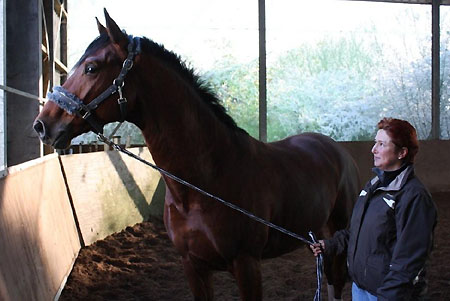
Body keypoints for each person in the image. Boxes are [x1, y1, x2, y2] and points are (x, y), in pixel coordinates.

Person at [311, 117, 437, 300]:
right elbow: (359, 231)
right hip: (361, 288)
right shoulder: (373, 185)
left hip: (386, 294)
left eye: (381, 144)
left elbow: (408, 261)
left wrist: (387, 296)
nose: (373, 150)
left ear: (402, 152)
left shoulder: (414, 197)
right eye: (375, 143)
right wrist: (330, 244)